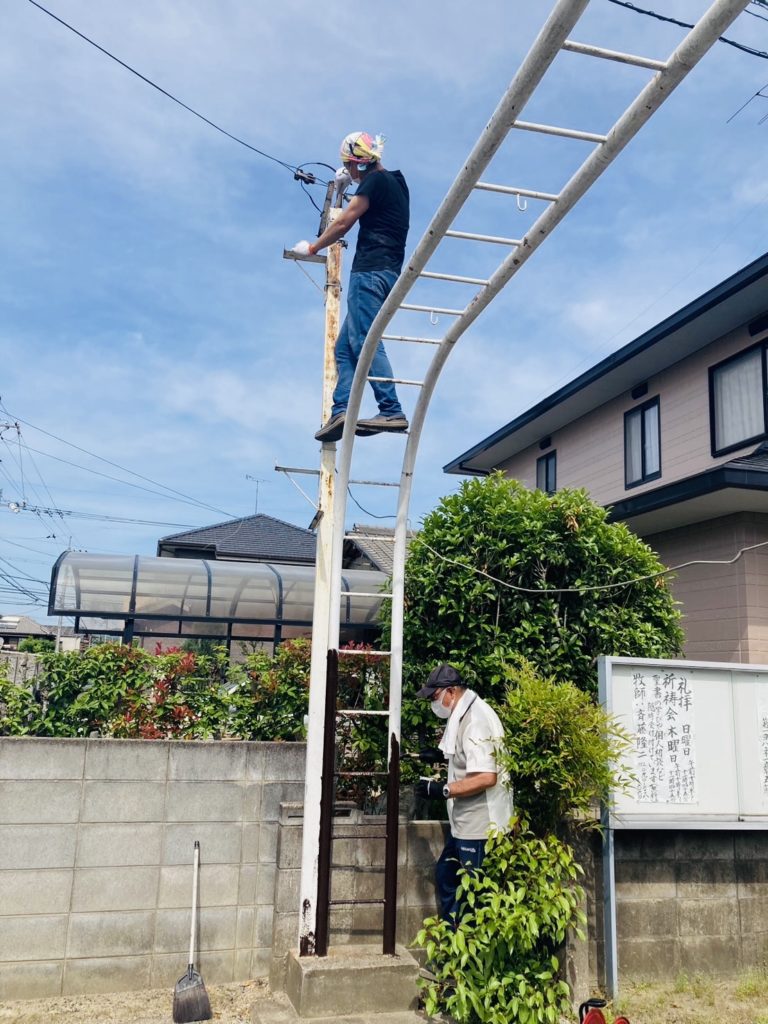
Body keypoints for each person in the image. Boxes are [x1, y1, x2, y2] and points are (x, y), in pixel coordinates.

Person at [292, 132, 410, 443]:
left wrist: (313, 248)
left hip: (370, 271)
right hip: (388, 271)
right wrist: (351, 183)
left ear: (357, 163)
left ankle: (391, 409)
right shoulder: (396, 182)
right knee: (344, 348)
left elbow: (344, 222)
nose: (348, 170)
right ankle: (341, 411)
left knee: (365, 340)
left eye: (348, 165)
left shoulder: (374, 182)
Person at [415, 663, 513, 922]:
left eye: (435, 697)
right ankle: (455, 938)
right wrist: (437, 755)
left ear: (451, 691)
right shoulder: (463, 711)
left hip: (480, 827)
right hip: (465, 824)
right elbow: (465, 756)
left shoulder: (475, 721)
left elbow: (486, 776)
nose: (433, 703)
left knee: (475, 895)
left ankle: (469, 943)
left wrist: (442, 790)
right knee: (447, 877)